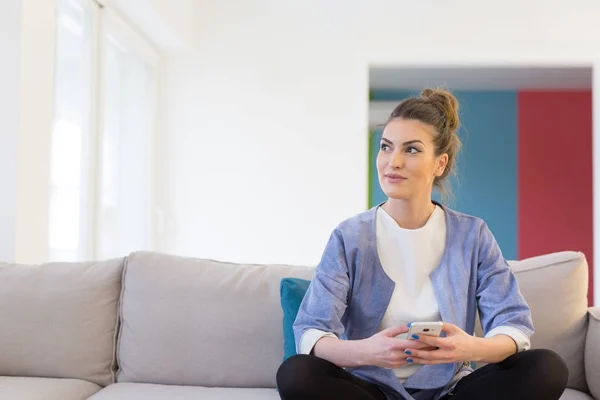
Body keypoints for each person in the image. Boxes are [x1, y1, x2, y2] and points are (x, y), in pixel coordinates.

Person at [275, 88, 569, 400]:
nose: (393, 162)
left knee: (547, 367)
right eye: (386, 147)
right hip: (370, 390)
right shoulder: (349, 236)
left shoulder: (473, 235)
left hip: (452, 391)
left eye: (411, 150)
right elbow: (311, 332)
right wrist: (369, 352)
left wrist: (469, 348)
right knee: (296, 373)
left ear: (440, 164)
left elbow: (514, 326)